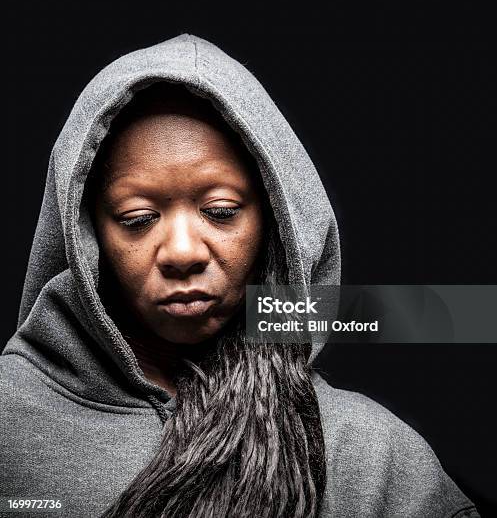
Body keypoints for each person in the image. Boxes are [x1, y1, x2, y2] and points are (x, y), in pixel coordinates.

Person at [0, 34, 479, 518]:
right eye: (138, 218)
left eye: (221, 211)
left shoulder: (373, 459)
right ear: (85, 235)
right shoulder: (8, 427)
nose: (182, 251)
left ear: (274, 223)